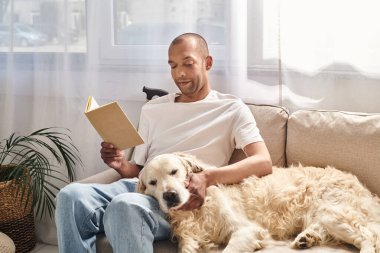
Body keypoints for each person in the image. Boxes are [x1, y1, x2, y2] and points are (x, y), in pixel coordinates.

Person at [55, 33, 272, 253]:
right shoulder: (153, 109)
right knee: (70, 197)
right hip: (143, 187)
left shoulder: (231, 109)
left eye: (188, 64)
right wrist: (120, 164)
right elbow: (137, 172)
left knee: (125, 206)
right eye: (173, 66)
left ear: (207, 63)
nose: (180, 74)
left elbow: (263, 161)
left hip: (184, 196)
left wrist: (207, 177)